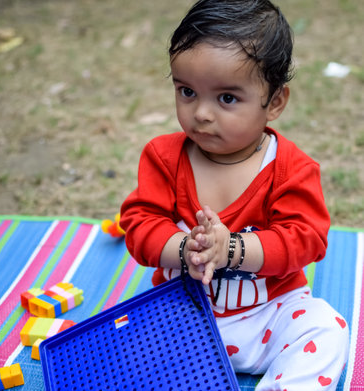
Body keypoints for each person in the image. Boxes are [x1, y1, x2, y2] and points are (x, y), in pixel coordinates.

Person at [120, 0, 349, 389]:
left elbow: (306, 239)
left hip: (272, 314)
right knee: (125, 349)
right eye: (187, 91)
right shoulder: (163, 157)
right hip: (184, 315)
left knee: (328, 329)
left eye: (226, 98)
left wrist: (232, 250)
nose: (202, 113)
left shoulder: (290, 168)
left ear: (274, 102)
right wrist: (185, 247)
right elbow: (139, 227)